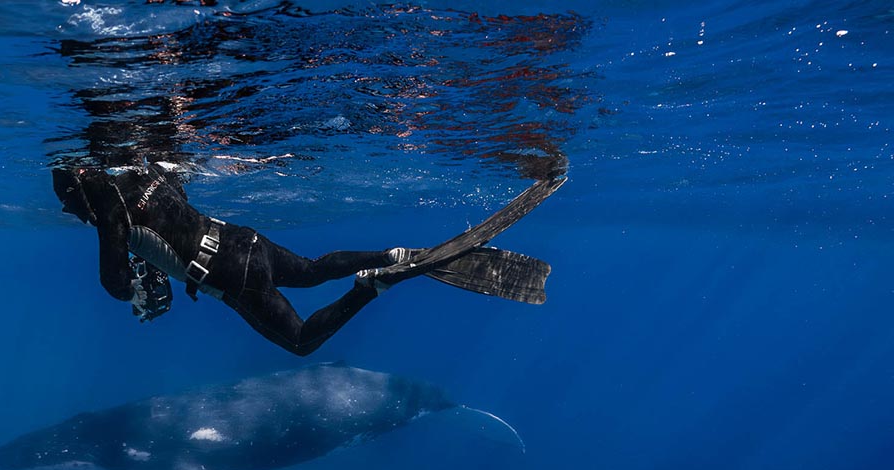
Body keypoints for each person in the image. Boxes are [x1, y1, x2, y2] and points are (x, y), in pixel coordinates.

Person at [52, 157, 565, 356]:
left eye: (69, 206)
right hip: (240, 239)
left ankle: (370, 287)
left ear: (78, 193)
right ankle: (394, 253)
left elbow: (114, 282)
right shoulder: (142, 172)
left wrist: (137, 285)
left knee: (299, 342)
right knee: (313, 270)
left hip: (226, 273)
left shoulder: (105, 205)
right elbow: (175, 204)